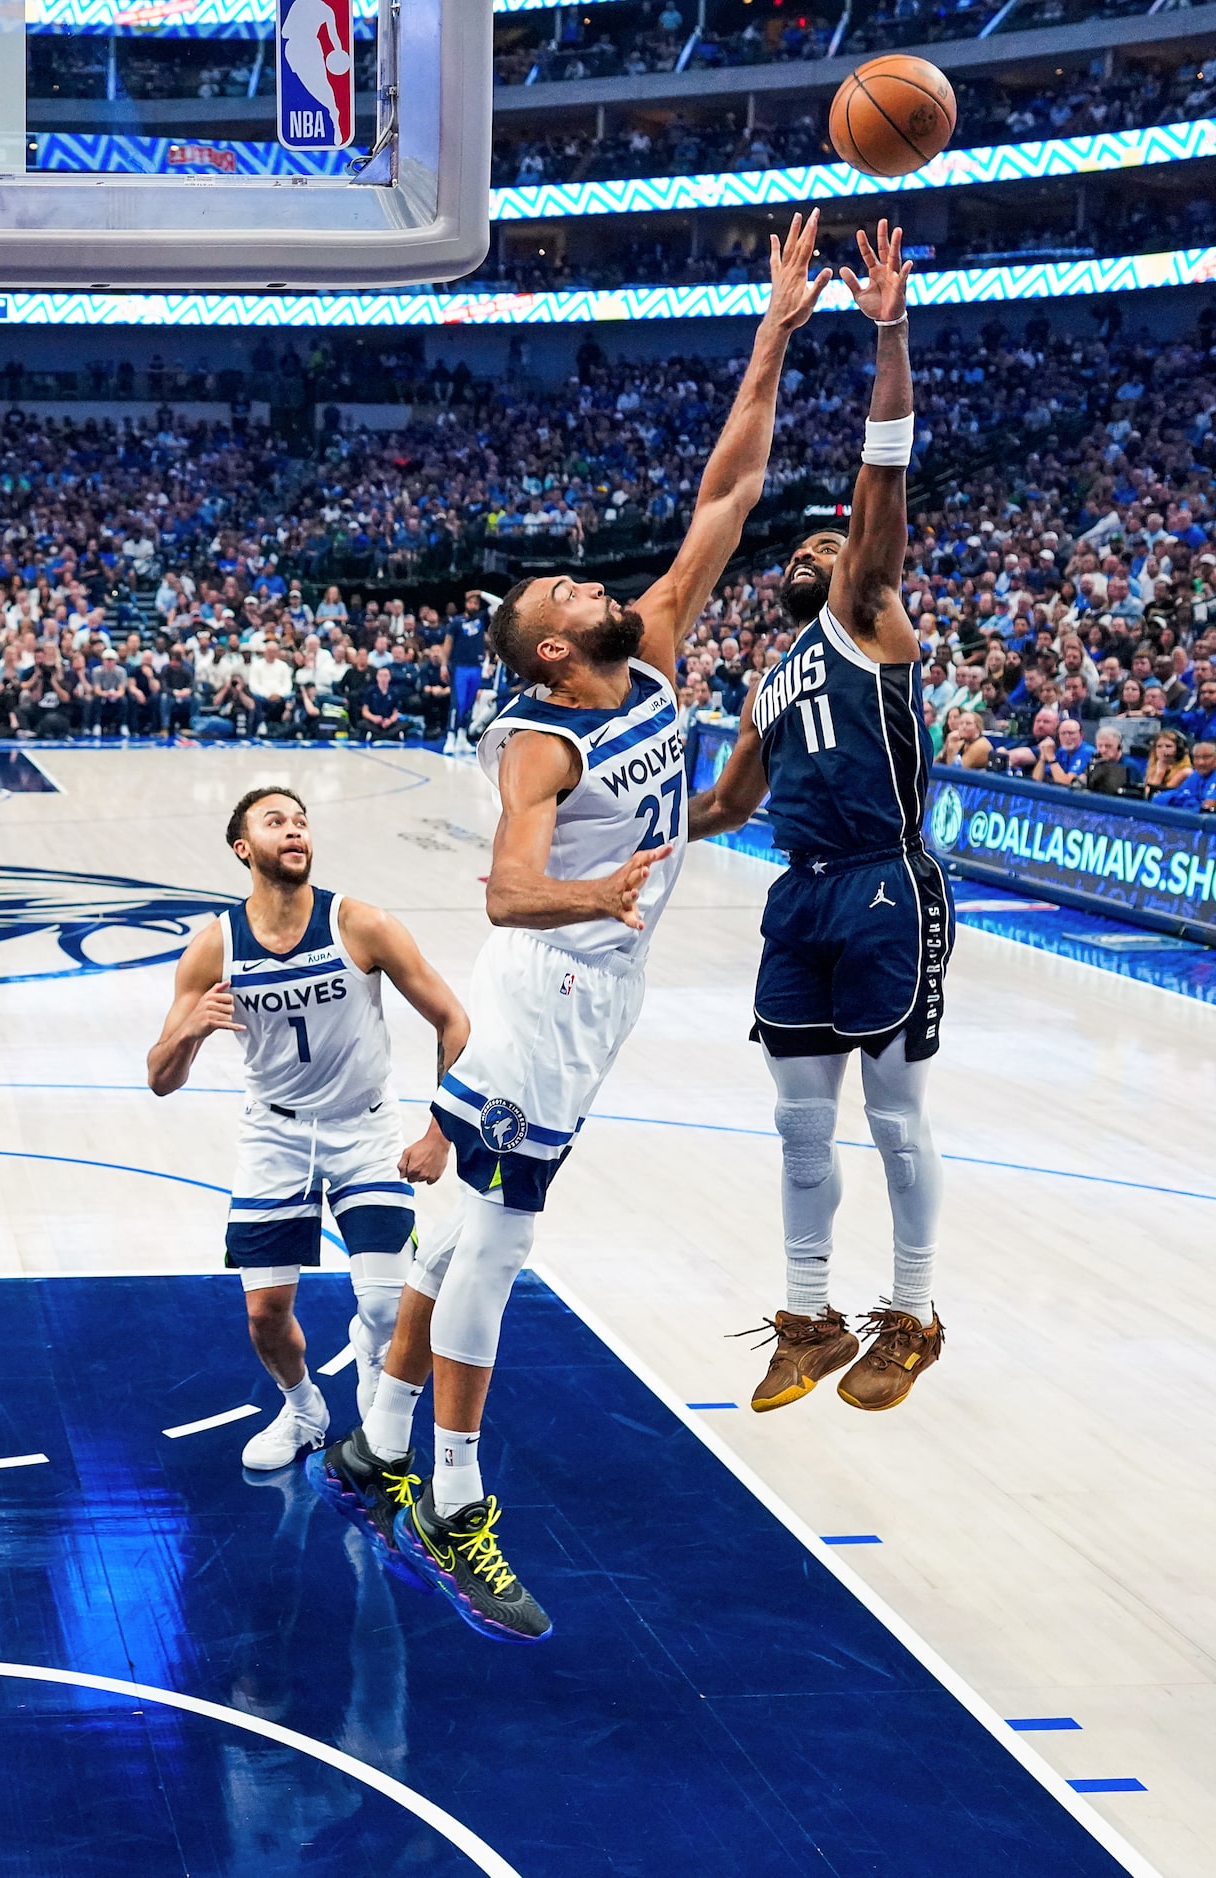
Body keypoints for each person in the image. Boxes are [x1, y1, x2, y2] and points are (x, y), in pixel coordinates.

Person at [312, 211, 824, 1645]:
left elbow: (729, 492)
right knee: (496, 1244)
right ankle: (454, 1498)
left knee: (457, 1223)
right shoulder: (537, 737)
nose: (596, 584)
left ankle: (371, 1436)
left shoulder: (653, 648)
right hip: (542, 977)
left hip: (603, 987)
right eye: (567, 593)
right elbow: (502, 887)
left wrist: (774, 331)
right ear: (547, 645)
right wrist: (594, 894)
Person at [691, 218, 949, 1419]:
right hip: (798, 888)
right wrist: (635, 823)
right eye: (800, 542)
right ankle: (809, 1316)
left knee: (891, 1115)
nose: (815, 542)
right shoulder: (770, 674)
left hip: (889, 880)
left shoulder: (869, 611)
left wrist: (886, 328)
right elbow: (728, 802)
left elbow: (879, 472)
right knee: (801, 1121)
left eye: (830, 539)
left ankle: (912, 1310)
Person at [144, 786, 468, 1473]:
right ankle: (303, 1411)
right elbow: (159, 1076)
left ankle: (373, 1372)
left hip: (367, 1130)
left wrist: (441, 1131)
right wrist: (191, 1035)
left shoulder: (361, 924)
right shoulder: (214, 948)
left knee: (384, 1307)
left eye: (300, 821)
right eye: (274, 822)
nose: (293, 831)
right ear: (243, 848)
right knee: (264, 1314)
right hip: (275, 1135)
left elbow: (453, 1020)